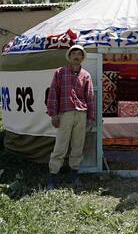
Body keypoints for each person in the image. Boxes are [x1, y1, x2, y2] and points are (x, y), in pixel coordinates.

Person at [46, 44, 95, 189]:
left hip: (81, 114)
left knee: (77, 146)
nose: (76, 56)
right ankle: (52, 177)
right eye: (73, 53)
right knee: (60, 146)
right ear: (69, 56)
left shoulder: (86, 75)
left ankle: (74, 176)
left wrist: (91, 117)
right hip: (65, 114)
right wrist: (53, 114)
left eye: (79, 54)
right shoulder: (60, 72)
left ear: (82, 57)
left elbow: (90, 97)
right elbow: (53, 93)